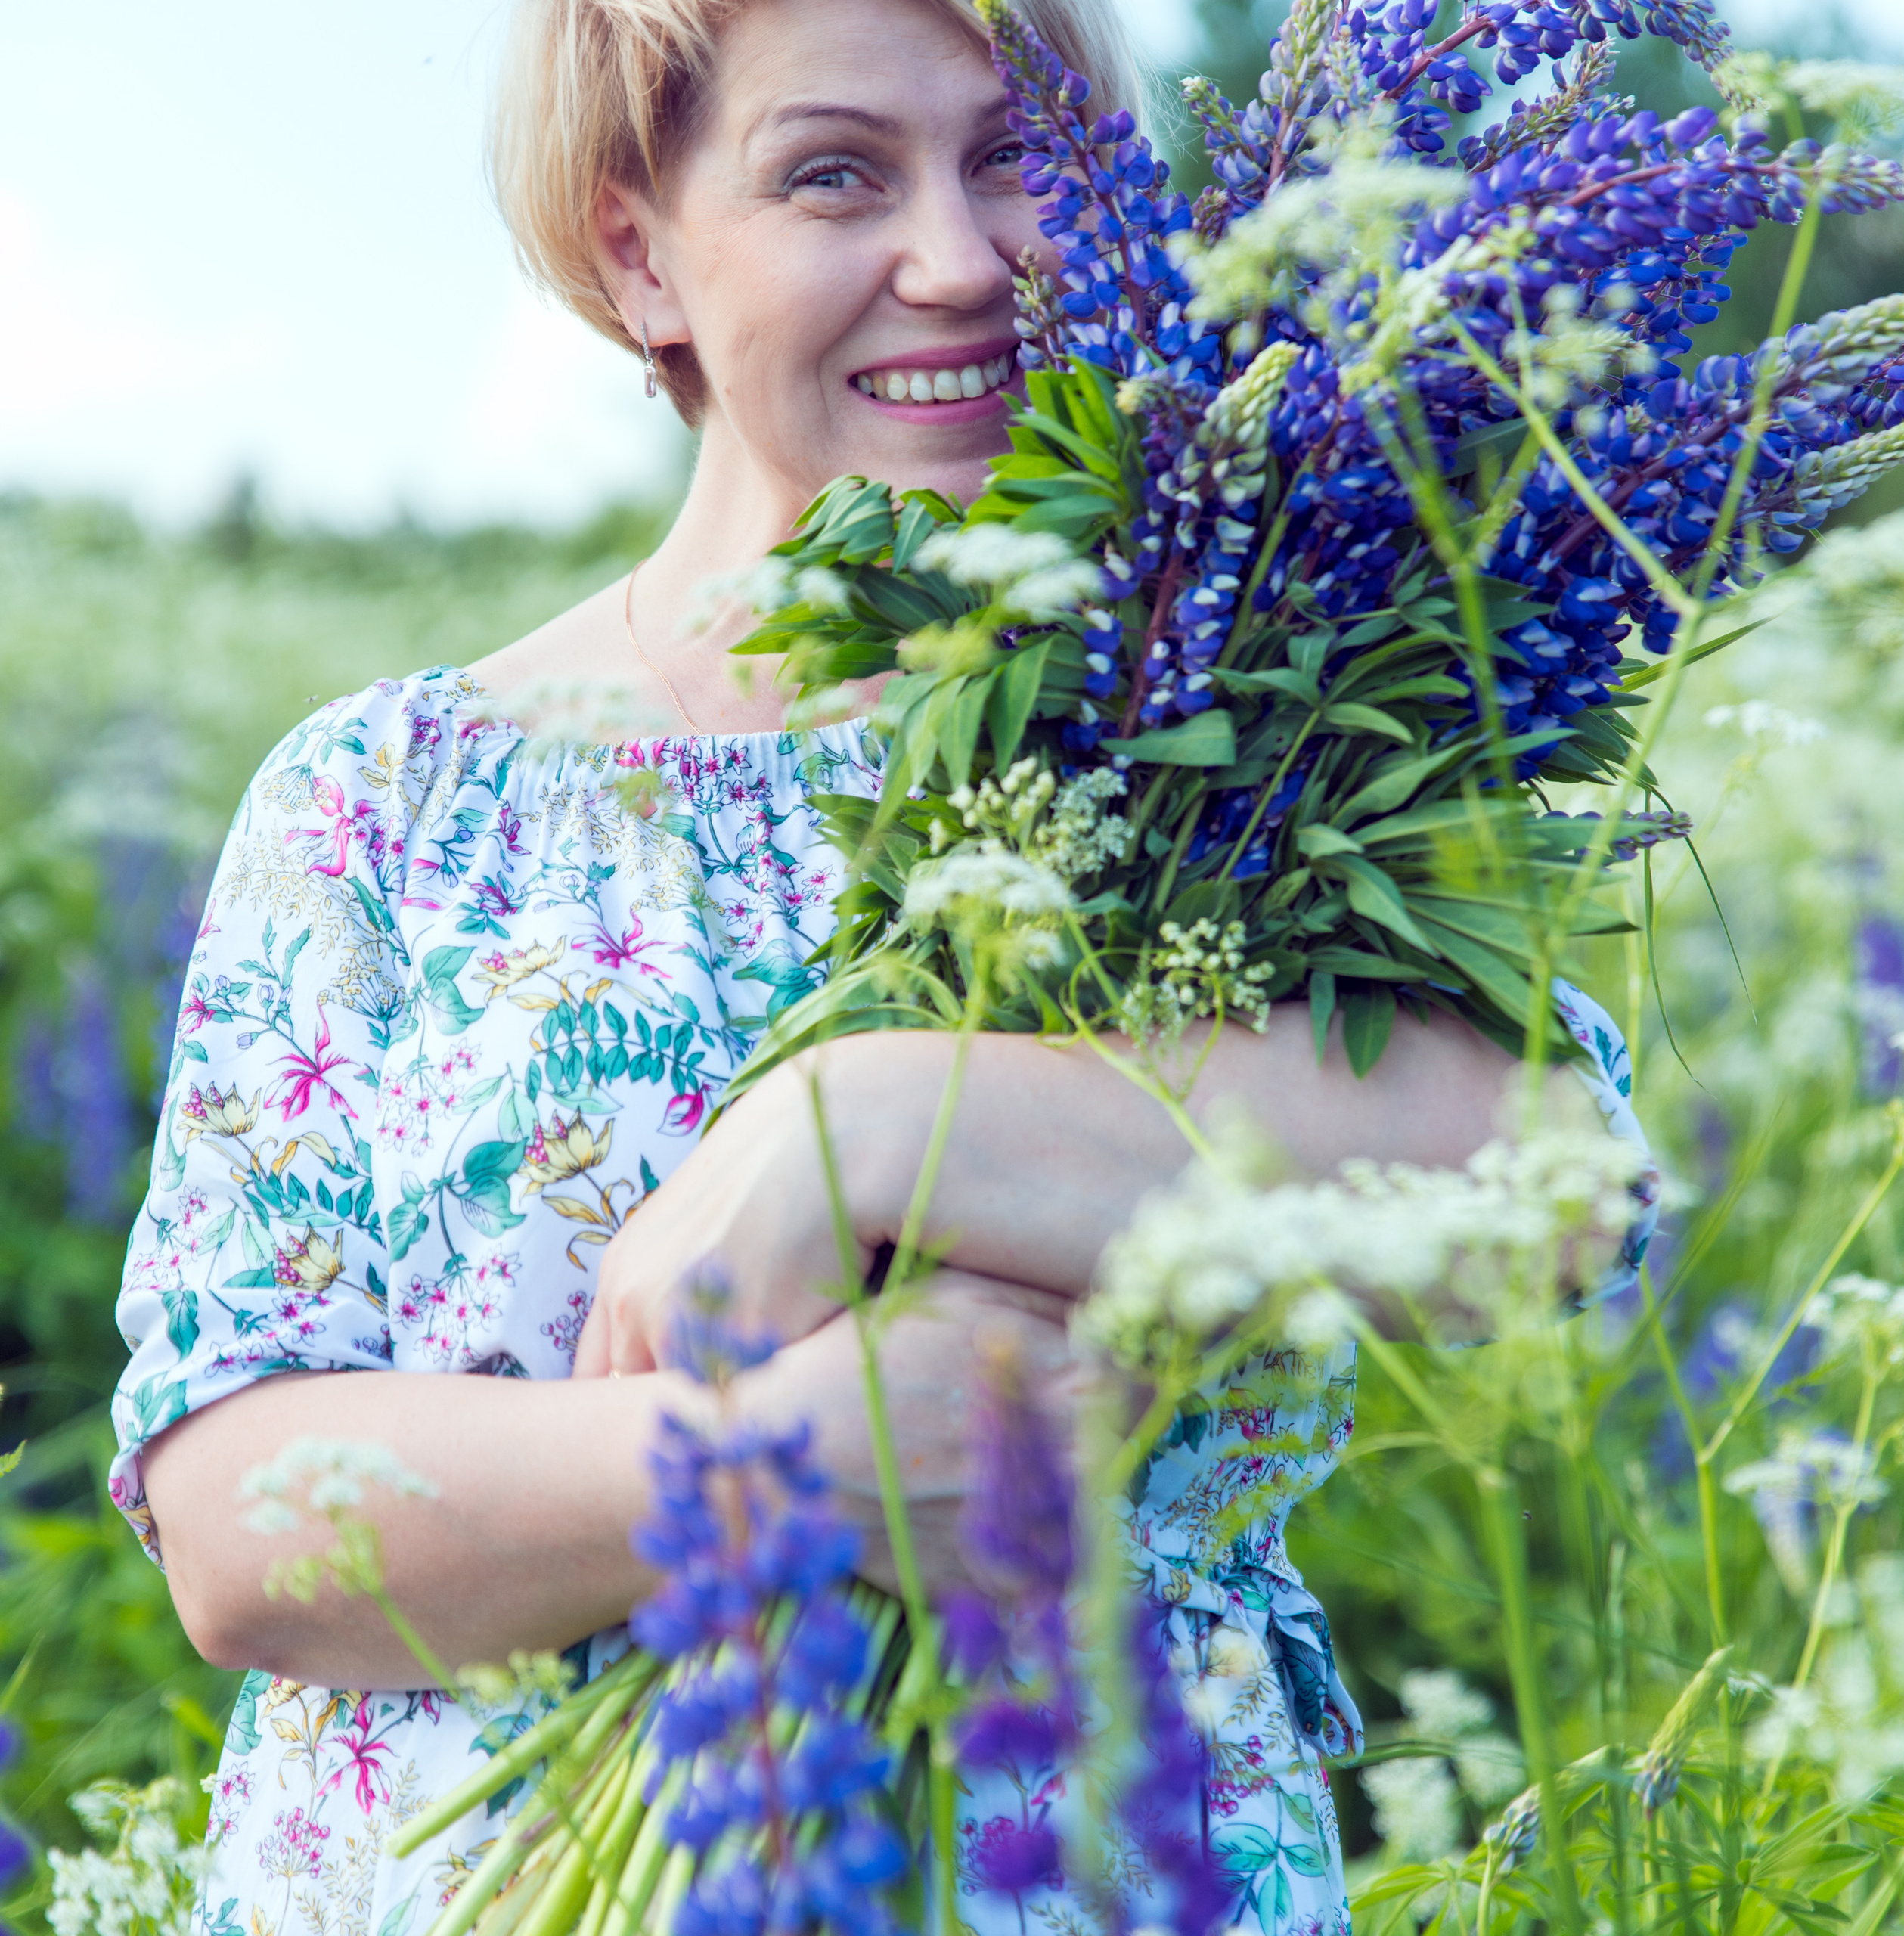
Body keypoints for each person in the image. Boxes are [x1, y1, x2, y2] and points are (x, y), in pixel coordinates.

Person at [114, 0, 1657, 1929]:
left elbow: (1556, 1193)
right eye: (831, 172)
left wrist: (892, 1113)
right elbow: (235, 1527)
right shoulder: (390, 793)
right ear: (637, 252)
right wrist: (763, 1463)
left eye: (1016, 159)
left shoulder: (1237, 689)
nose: (955, 259)